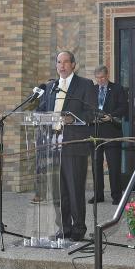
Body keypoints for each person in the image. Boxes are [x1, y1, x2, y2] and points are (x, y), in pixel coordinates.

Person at [37, 50, 96, 241]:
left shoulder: (85, 85)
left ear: (73, 65)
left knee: (74, 189)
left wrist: (73, 118)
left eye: (65, 62)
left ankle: (78, 229)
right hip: (53, 144)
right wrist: (39, 117)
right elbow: (41, 110)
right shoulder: (50, 87)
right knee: (59, 191)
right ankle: (64, 227)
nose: (61, 66)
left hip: (73, 144)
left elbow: (91, 113)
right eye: (58, 62)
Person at [88, 65, 129, 206]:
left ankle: (117, 196)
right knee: (96, 165)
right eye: (97, 78)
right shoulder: (92, 90)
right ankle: (98, 195)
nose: (100, 81)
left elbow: (124, 107)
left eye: (102, 78)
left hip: (112, 131)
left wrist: (111, 116)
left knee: (114, 166)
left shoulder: (118, 89)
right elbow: (87, 107)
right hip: (95, 132)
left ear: (107, 75)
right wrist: (90, 117)